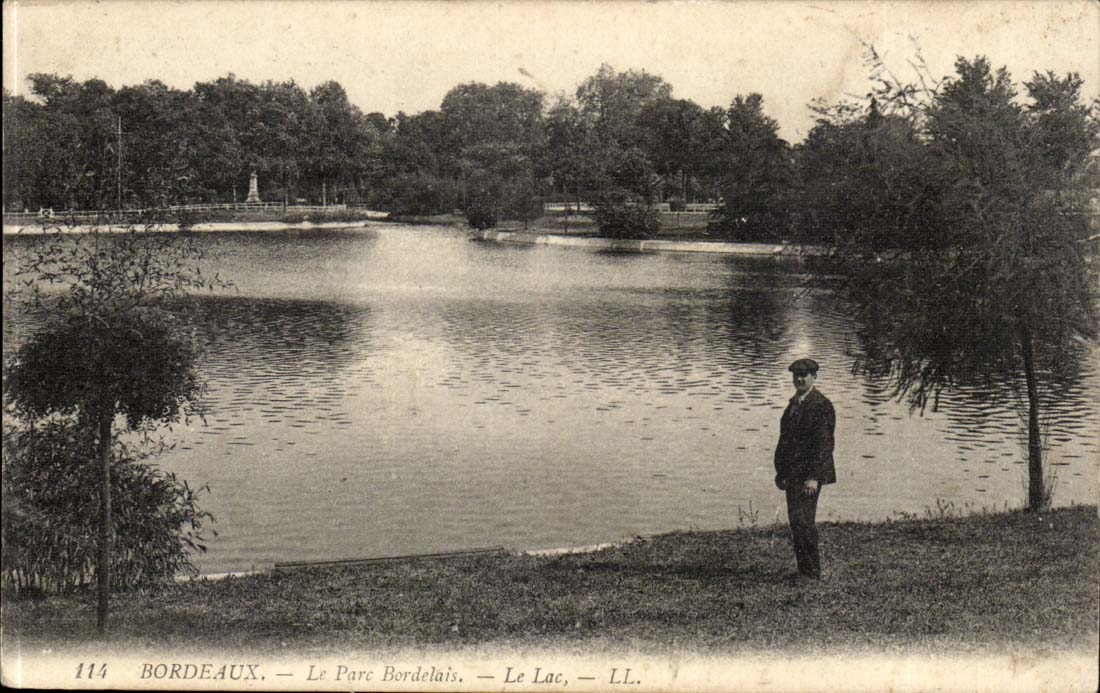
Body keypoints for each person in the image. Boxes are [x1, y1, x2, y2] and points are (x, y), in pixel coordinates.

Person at [774, 358, 836, 580]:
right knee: (796, 522)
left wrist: (814, 477)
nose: (799, 379)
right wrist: (781, 472)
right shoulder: (794, 403)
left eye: (804, 375)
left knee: (805, 521)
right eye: (796, 375)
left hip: (809, 475)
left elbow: (824, 445)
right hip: (792, 473)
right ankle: (803, 570)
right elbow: (785, 441)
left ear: (814, 377)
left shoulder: (821, 405)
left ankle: (812, 572)